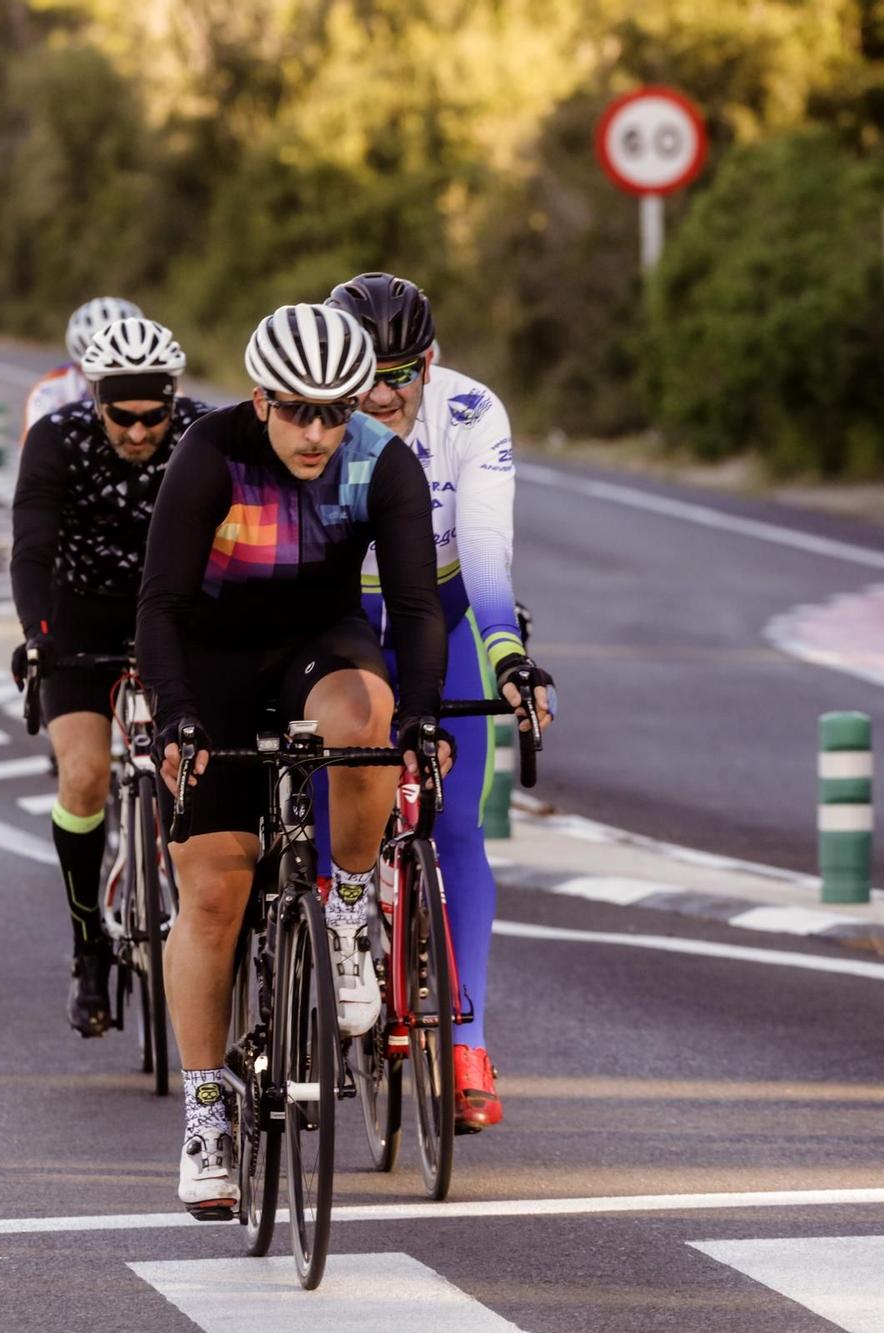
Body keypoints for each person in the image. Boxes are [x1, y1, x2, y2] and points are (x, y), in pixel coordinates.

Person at [136, 303, 448, 1218]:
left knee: (369, 714)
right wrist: (176, 719)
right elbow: (158, 604)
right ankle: (206, 1109)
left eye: (336, 412)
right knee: (215, 896)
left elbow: (418, 609)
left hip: (318, 641)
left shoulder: (382, 463)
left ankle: (350, 903)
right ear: (263, 398)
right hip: (212, 658)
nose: (317, 433)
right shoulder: (210, 452)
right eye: (298, 411)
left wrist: (422, 717)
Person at [327, 271, 557, 1133]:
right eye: (365, 377)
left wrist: (508, 657)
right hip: (343, 622)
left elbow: (490, 548)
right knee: (333, 817)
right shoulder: (315, 417)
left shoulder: (471, 414)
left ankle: (466, 1039)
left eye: (402, 375)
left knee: (456, 827)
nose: (383, 396)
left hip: (446, 612)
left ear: (433, 361)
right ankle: (326, 968)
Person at [9, 318, 213, 1036]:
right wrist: (36, 639)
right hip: (82, 616)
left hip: (175, 613)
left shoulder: (203, 434)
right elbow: (30, 552)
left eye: (152, 415)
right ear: (95, 400)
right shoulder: (56, 439)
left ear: (174, 399)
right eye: (120, 416)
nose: (137, 432)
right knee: (86, 776)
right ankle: (88, 942)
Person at [21, 296, 143, 435]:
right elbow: (33, 450)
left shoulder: (165, 383)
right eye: (95, 372)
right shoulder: (49, 390)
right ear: (80, 365)